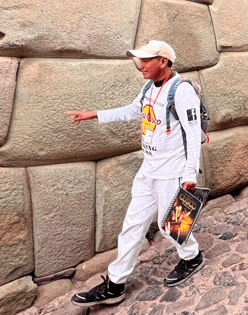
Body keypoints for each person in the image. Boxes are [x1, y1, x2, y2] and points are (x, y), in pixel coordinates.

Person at [66, 40, 204, 306]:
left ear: (163, 62)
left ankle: (192, 257)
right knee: (131, 227)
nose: (141, 65)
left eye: (146, 60)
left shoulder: (181, 91)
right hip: (148, 170)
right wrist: (94, 114)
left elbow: (193, 133)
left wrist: (190, 175)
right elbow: (133, 112)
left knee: (170, 227)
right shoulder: (148, 88)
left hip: (172, 172)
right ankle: (116, 284)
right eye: (140, 60)